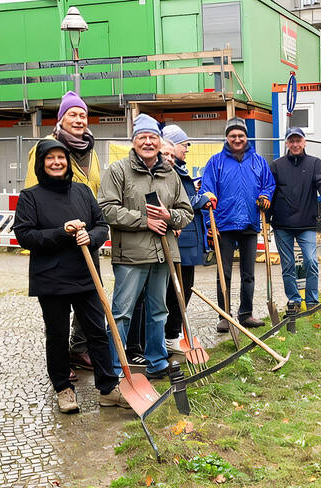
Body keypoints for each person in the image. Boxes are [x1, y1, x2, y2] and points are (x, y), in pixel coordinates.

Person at [13, 139, 129, 413]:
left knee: (97, 333)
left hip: (85, 275)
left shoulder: (83, 192)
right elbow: (25, 235)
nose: (56, 162)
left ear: (68, 162)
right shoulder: (31, 196)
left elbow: (101, 225)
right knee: (57, 335)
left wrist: (91, 236)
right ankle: (63, 388)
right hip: (50, 279)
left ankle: (108, 388)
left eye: (61, 158)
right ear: (41, 163)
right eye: (50, 158)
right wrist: (61, 231)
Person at [97, 114, 193, 379]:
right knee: (122, 313)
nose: (148, 143)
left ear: (159, 141)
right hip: (131, 255)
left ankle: (157, 360)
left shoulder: (169, 173)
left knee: (159, 310)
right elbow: (106, 209)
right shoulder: (118, 171)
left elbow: (186, 212)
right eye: (143, 138)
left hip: (164, 254)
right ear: (134, 142)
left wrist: (168, 217)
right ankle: (116, 367)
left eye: (153, 138)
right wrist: (145, 221)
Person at [24, 90, 101, 375]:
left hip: (86, 238)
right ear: (61, 118)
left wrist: (96, 229)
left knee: (91, 300)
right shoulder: (47, 148)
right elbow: (34, 194)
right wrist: (53, 233)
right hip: (57, 241)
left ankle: (79, 350)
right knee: (57, 311)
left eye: (82, 114)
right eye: (73, 114)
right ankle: (60, 360)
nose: (79, 119)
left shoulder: (89, 150)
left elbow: (95, 191)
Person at [199, 117, 275, 332]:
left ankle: (246, 314)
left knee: (248, 273)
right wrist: (209, 227)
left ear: (246, 137)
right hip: (224, 224)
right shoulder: (216, 162)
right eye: (233, 135)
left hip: (250, 222)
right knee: (224, 273)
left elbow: (268, 184)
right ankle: (224, 315)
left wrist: (265, 195)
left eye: (240, 135)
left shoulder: (258, 161)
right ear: (227, 138)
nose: (237, 139)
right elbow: (207, 191)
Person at [269, 127, 321, 313]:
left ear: (304, 142)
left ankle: (312, 301)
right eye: (292, 141)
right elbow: (270, 191)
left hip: (306, 222)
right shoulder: (277, 165)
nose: (295, 144)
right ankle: (294, 300)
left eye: (298, 140)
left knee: (311, 262)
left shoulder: (314, 163)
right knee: (288, 265)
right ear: (286, 143)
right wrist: (266, 217)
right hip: (282, 224)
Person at [160, 127, 207, 354]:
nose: (186, 149)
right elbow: (185, 202)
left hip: (187, 237)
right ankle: (170, 334)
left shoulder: (179, 170)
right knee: (178, 289)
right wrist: (202, 198)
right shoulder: (172, 172)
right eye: (184, 144)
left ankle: (173, 331)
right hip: (180, 238)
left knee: (184, 288)